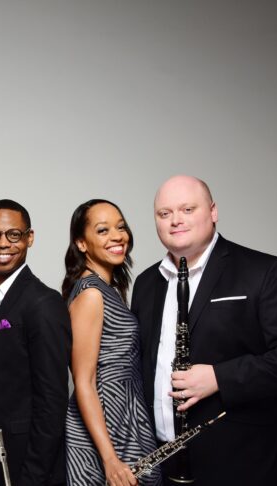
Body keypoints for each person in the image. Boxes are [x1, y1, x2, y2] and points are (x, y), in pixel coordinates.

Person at [131, 175, 277, 486]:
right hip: (165, 466)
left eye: (187, 209)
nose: (175, 221)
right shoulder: (146, 283)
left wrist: (219, 377)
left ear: (212, 212)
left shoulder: (263, 270)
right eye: (164, 213)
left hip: (244, 465)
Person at [63, 199, 162, 486]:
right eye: (103, 230)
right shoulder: (91, 293)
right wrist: (109, 458)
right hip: (106, 428)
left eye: (121, 227)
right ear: (82, 243)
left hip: (126, 418)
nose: (118, 236)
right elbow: (84, 380)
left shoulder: (108, 290)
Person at [0, 199, 71, 485]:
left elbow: (52, 400)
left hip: (26, 464)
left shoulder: (43, 302)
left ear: (30, 238)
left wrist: (33, 477)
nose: (3, 243)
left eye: (14, 235)